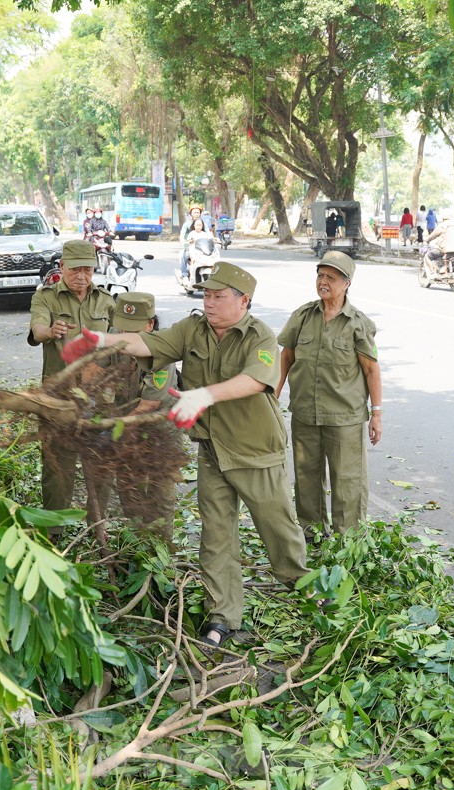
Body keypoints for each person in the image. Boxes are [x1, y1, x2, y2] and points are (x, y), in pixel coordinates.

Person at [58, 262, 310, 648]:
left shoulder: (259, 335)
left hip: (255, 448)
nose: (209, 302)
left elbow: (258, 379)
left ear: (243, 301)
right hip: (212, 448)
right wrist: (100, 340)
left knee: (277, 529)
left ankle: (305, 586)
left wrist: (205, 394)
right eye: (206, 295)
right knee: (216, 535)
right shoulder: (192, 329)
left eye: (218, 296)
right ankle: (223, 615)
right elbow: (149, 344)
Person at [277, 251, 381, 537]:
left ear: (346, 283)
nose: (323, 282)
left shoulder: (359, 323)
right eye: (320, 275)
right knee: (307, 479)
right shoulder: (301, 316)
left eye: (331, 278)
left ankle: (347, 542)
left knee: (347, 482)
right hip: (305, 413)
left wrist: (377, 415)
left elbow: (372, 370)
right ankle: (311, 536)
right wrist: (270, 400)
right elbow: (285, 360)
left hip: (344, 417)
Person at [27, 239, 115, 519]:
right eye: (75, 269)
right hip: (60, 398)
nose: (82, 276)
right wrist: (50, 331)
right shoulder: (46, 297)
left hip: (100, 397)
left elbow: (124, 339)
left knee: (101, 465)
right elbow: (37, 328)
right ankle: (52, 529)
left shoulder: (106, 300)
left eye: (88, 270)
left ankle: (96, 528)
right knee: (57, 466)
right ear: (62, 267)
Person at [98, 292, 178, 547]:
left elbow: (148, 405)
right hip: (125, 426)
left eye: (133, 330)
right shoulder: (115, 341)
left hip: (159, 431)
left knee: (159, 490)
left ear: (150, 325)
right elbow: (95, 371)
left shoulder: (161, 353)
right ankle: (137, 543)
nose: (126, 335)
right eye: (122, 328)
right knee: (127, 483)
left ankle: (160, 548)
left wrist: (110, 431)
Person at [179, 205, 204, 279]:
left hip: (202, 248)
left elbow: (208, 233)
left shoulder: (203, 224)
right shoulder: (186, 224)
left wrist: (213, 239)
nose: (196, 214)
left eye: (198, 212)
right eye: (194, 212)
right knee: (184, 256)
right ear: (191, 214)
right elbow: (182, 235)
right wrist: (183, 241)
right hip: (190, 247)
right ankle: (184, 275)